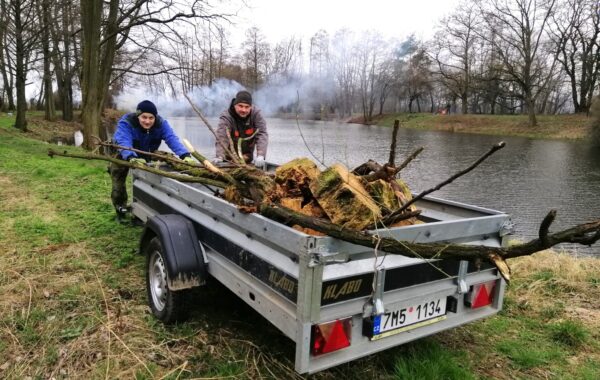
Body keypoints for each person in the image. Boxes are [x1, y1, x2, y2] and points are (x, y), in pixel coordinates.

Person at [110, 100, 195, 221]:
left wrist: (184, 154)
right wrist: (130, 156)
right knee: (118, 183)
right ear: (138, 115)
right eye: (144, 117)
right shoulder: (127, 122)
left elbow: (171, 138)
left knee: (144, 181)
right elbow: (123, 141)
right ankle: (120, 208)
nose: (147, 121)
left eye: (151, 118)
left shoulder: (161, 123)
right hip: (123, 152)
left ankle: (139, 212)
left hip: (145, 152)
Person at [215, 90, 268, 167]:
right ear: (234, 105)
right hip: (228, 159)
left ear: (251, 107)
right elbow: (222, 136)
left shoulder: (256, 114)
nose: (243, 110)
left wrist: (261, 155)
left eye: (247, 107)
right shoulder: (226, 117)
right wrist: (219, 156)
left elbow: (262, 134)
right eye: (240, 106)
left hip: (247, 157)